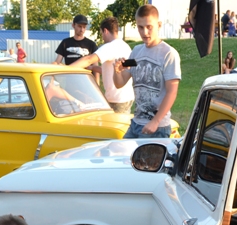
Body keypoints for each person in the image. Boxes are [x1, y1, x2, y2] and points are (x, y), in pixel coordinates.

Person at [113, 5, 181, 139]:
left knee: (145, 161)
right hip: (136, 123)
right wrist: (116, 71)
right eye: (140, 27)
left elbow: (172, 91)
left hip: (157, 127)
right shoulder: (136, 51)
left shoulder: (168, 54)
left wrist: (155, 122)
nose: (145, 32)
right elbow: (119, 83)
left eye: (149, 27)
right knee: (123, 158)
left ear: (159, 25)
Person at [68, 16, 135, 114]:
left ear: (105, 31)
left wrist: (66, 69)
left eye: (101, 33)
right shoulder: (125, 46)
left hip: (116, 100)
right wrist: (93, 68)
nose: (102, 37)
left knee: (114, 128)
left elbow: (89, 59)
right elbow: (110, 70)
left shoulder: (110, 46)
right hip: (126, 97)